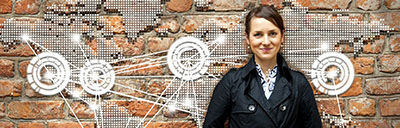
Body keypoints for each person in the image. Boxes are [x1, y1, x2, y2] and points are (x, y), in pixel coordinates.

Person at [203, 5, 322, 128]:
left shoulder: (298, 83)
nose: (266, 42)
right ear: (247, 38)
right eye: (258, 34)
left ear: (282, 36)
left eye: (272, 34)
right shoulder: (232, 82)